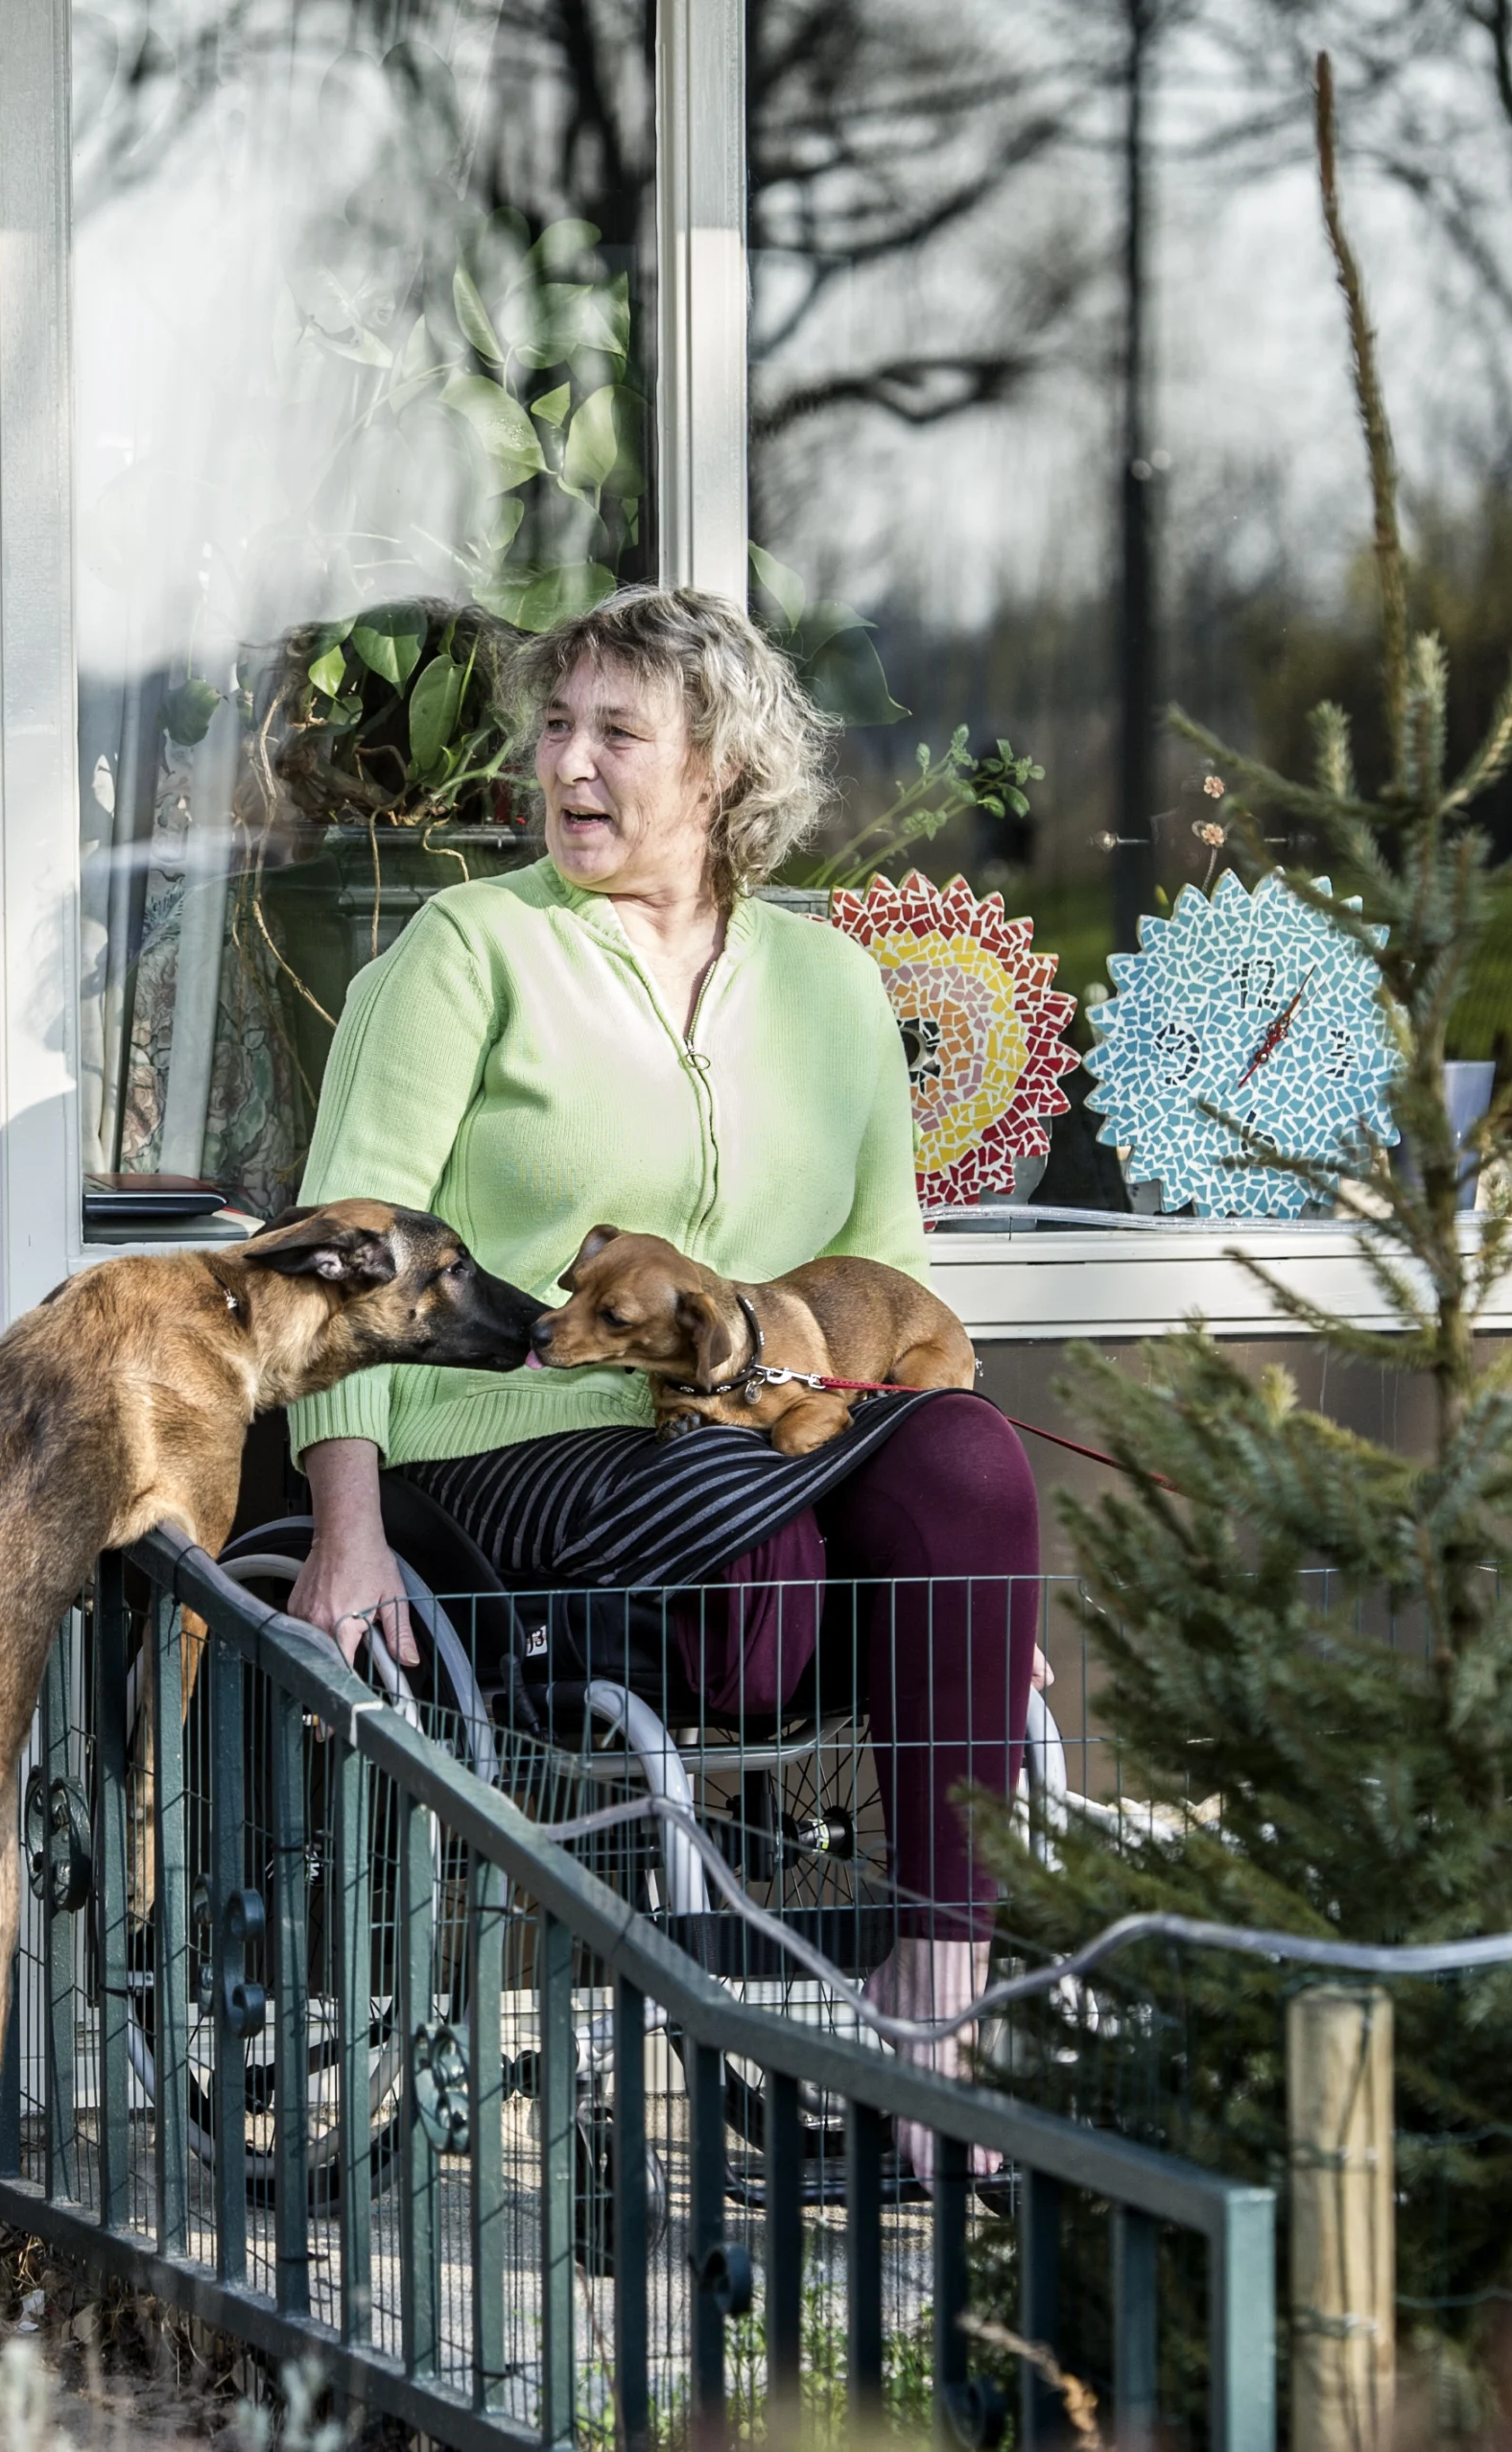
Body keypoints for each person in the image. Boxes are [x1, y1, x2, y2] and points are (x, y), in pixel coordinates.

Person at [279, 585, 1042, 2131]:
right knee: (748, 1543)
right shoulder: (467, 948)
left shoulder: (828, 985)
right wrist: (344, 1524)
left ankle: (937, 1995)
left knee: (972, 1463)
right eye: (557, 727)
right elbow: (345, 1256)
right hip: (500, 1438)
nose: (568, 763)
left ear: (718, 772)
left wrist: (982, 1592)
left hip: (765, 1448)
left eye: (617, 732)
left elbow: (893, 1277)